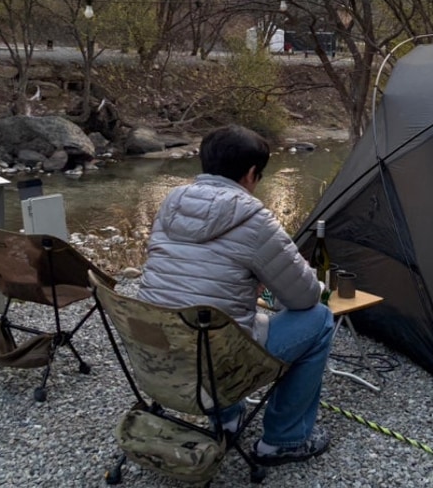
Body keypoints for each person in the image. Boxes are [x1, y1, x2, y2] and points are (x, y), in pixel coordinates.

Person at [138, 124, 334, 466]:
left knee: (216, 318)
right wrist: (310, 282)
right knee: (320, 320)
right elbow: (304, 299)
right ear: (251, 173)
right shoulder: (256, 219)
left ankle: (227, 418)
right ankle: (283, 441)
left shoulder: (171, 203)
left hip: (156, 357)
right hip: (217, 369)